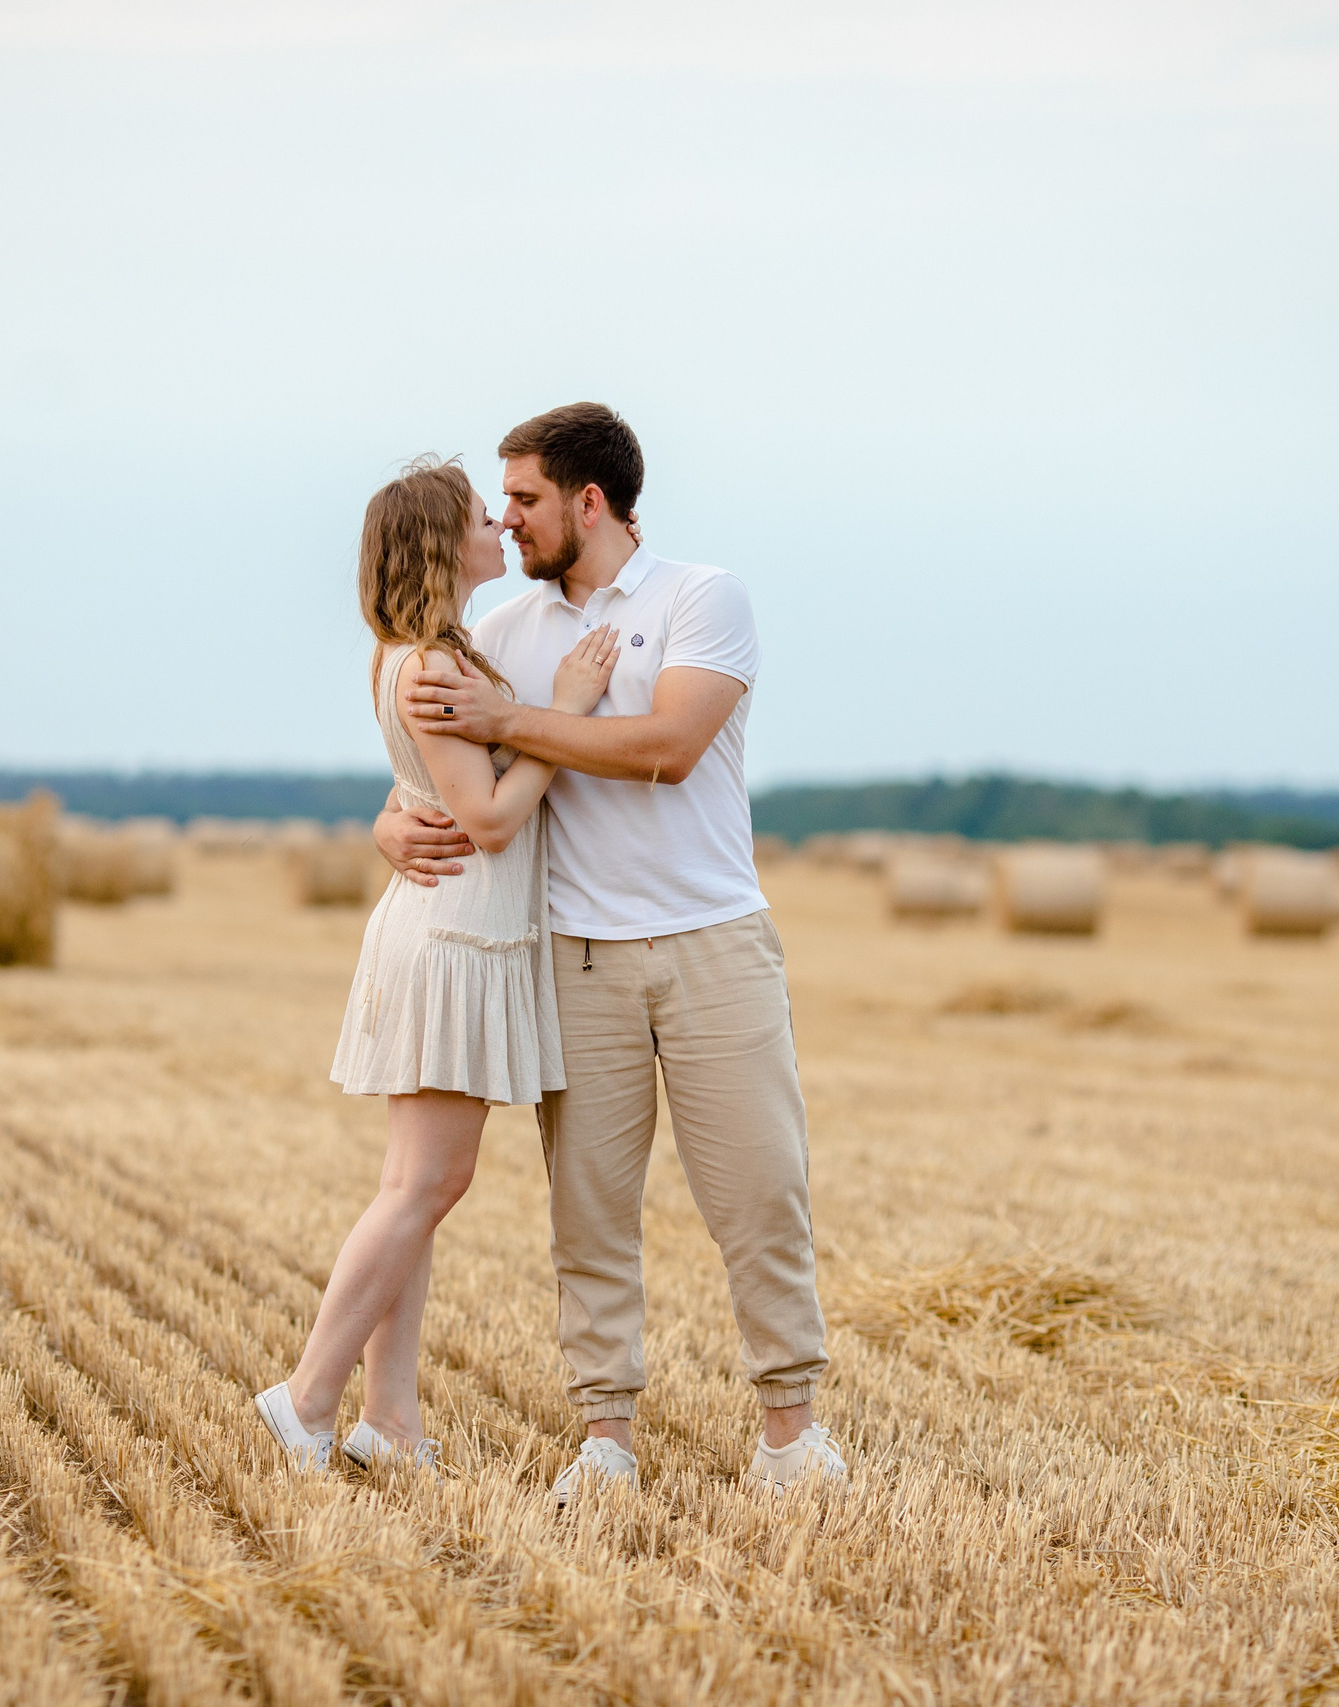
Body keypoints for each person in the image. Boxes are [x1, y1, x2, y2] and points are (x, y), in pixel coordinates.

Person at [376, 403, 845, 1500]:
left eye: (525, 498)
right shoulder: (500, 635)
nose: (506, 518)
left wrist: (511, 721)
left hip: (715, 942)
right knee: (587, 1213)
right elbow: (432, 769)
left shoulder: (701, 597)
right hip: (575, 957)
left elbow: (667, 747)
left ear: (590, 502)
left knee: (760, 1194)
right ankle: (604, 1441)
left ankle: (790, 1436)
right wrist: (387, 825)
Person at [254, 456, 620, 1472]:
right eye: (479, 517)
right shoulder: (433, 668)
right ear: (439, 543)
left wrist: (396, 817)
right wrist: (565, 717)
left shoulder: (418, 655)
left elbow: (428, 795)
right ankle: (306, 1397)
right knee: (426, 1184)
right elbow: (492, 819)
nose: (499, 526)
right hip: (455, 936)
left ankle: (391, 1421)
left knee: (412, 1187)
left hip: (447, 927)